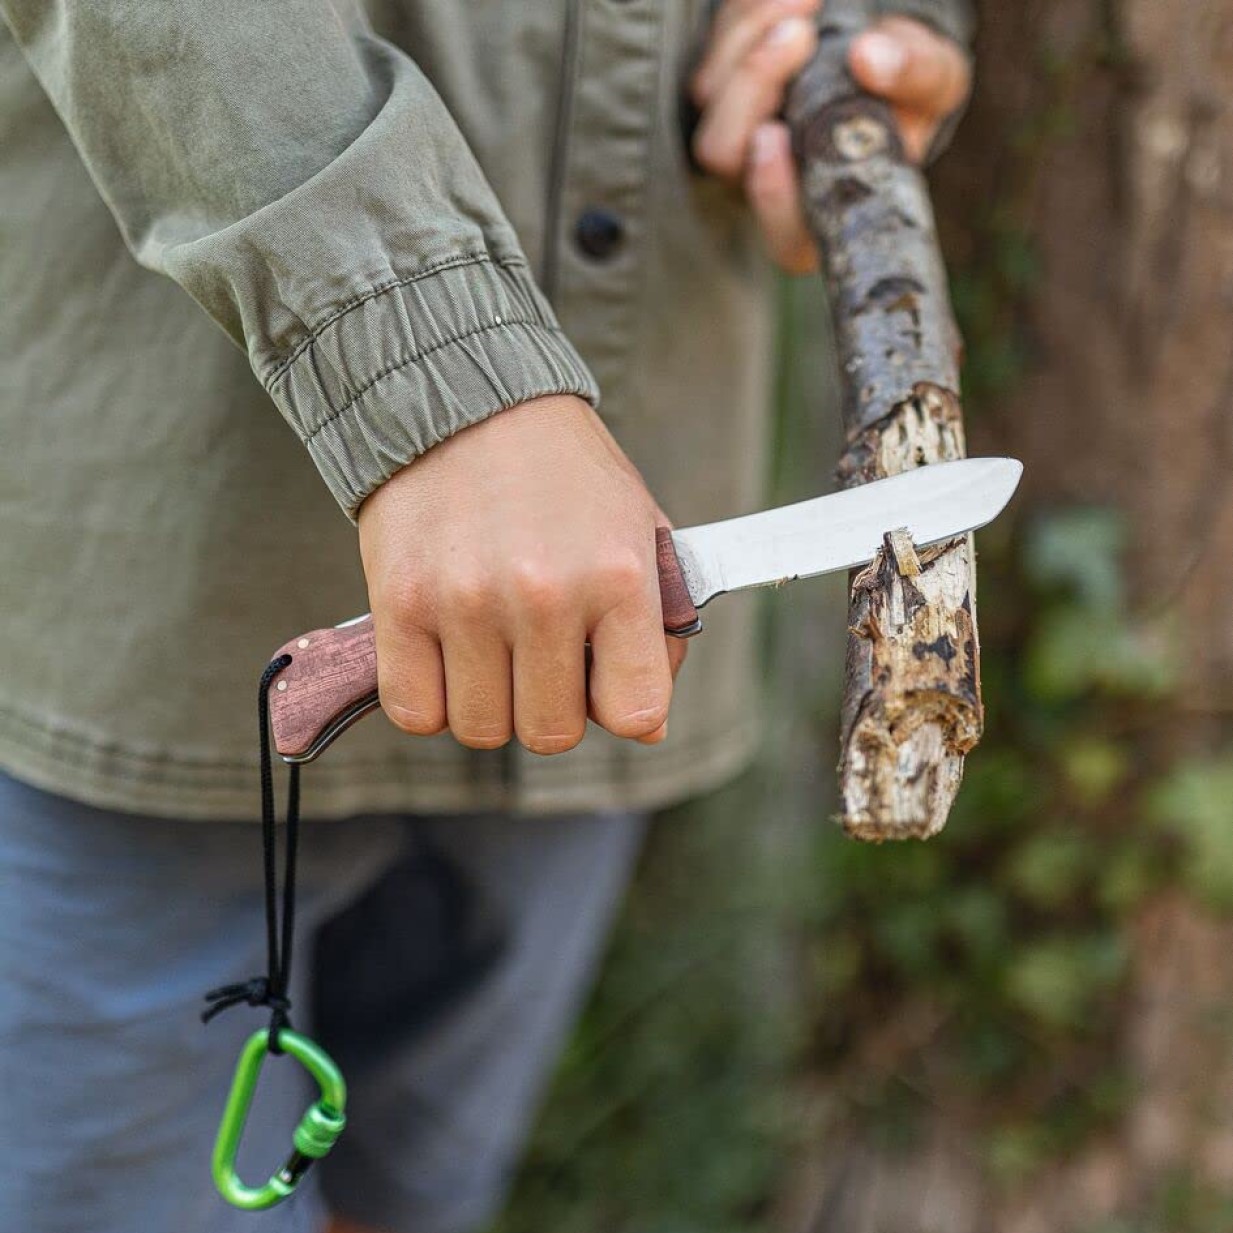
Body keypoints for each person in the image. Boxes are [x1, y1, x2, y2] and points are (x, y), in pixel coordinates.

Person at [0, 2, 972, 1230]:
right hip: (162, 590)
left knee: (416, 1206)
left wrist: (849, 37)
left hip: (605, 612)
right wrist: (429, 371)